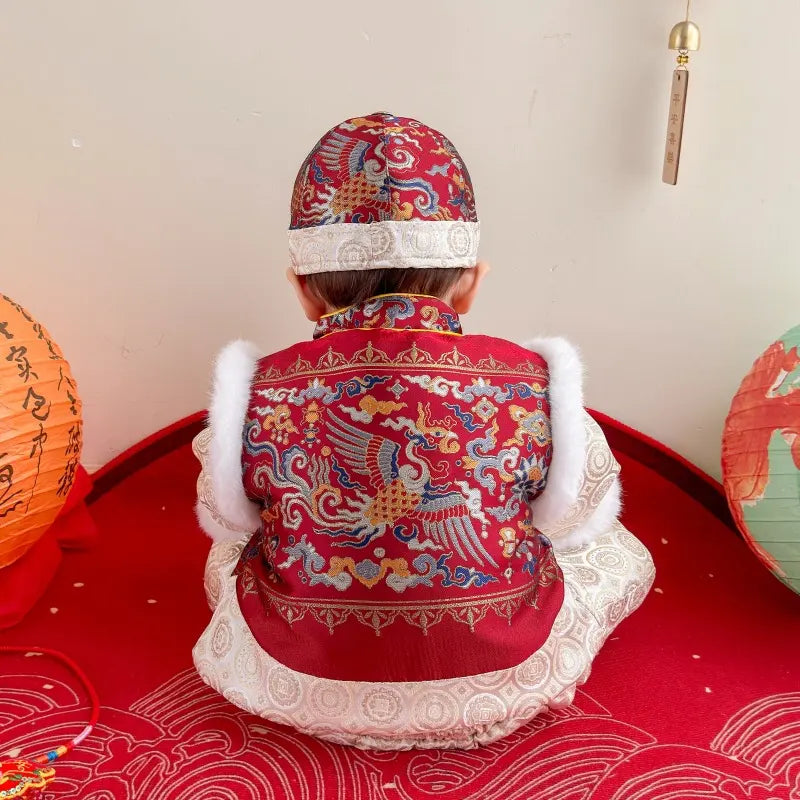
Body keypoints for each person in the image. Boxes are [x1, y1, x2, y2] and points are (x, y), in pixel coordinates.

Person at [192, 113, 654, 749]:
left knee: (230, 554)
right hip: (503, 676)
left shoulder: (260, 388)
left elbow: (229, 517)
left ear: (302, 290)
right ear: (469, 286)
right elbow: (577, 514)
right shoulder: (533, 383)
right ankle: (511, 683)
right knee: (615, 550)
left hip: (292, 680)